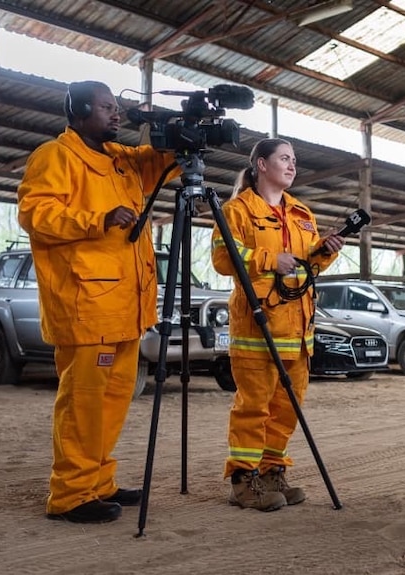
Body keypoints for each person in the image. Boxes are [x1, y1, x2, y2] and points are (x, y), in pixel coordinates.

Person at [17, 81, 181, 523]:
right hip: (87, 306)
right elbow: (35, 214)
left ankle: (98, 482)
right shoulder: (56, 156)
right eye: (108, 108)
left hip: (125, 308)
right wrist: (98, 219)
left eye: (117, 108)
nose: (117, 115)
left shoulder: (120, 159)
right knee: (84, 403)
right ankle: (70, 495)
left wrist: (175, 127)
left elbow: (164, 165)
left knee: (112, 401)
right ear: (80, 109)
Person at [211, 138, 345, 511]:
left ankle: (271, 472)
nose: (292, 165)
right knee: (253, 407)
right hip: (258, 330)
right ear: (261, 165)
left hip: (298, 333)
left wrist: (324, 254)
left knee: (287, 409)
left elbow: (306, 269)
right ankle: (243, 480)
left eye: (294, 160)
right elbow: (223, 258)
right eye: (284, 158)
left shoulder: (302, 213)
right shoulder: (237, 210)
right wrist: (270, 259)